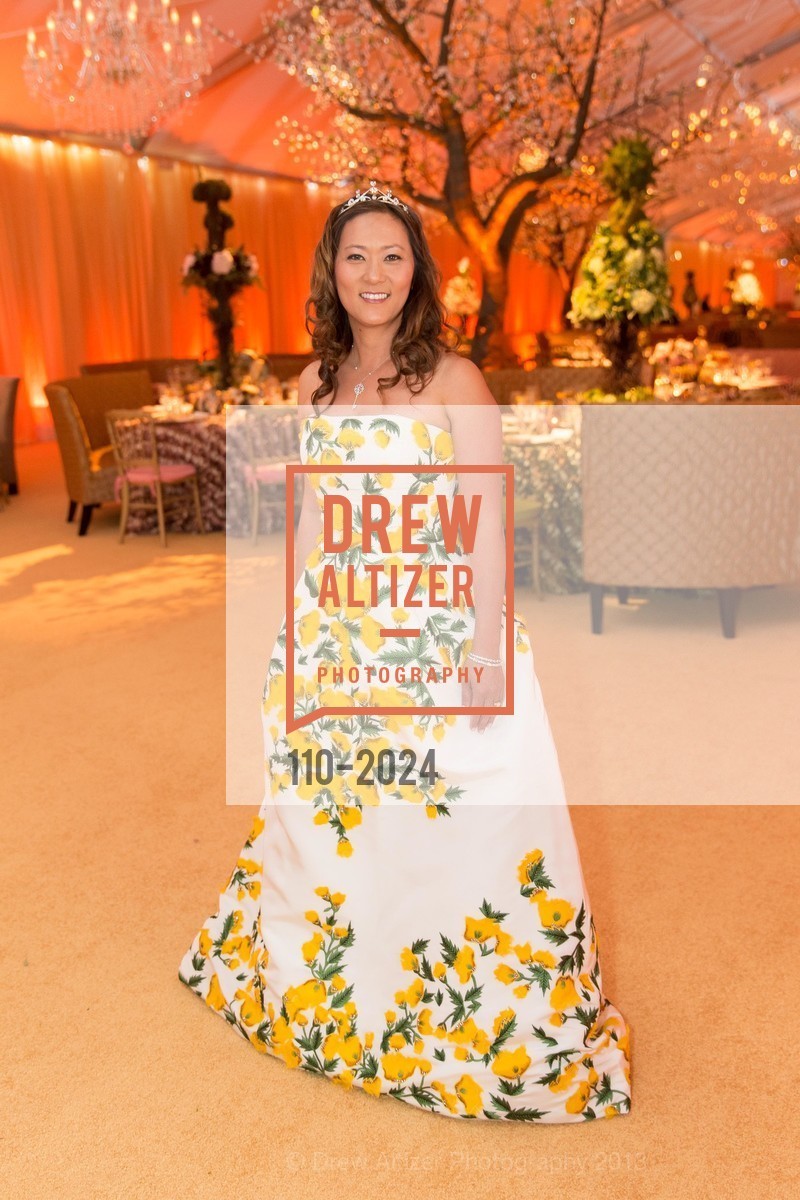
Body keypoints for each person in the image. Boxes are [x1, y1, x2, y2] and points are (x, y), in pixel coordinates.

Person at [177, 181, 632, 1122]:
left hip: (433, 629)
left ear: (416, 272)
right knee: (343, 827)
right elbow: (313, 517)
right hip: (341, 631)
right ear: (331, 273)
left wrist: (477, 654)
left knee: (457, 831)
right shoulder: (314, 385)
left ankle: (466, 1025)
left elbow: (483, 530)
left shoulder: (455, 380)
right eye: (356, 257)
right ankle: (351, 1002)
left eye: (392, 256)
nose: (374, 274)